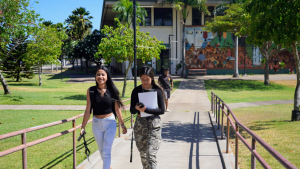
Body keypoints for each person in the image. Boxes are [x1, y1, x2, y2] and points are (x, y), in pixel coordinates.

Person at [80, 65, 127, 169]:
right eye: (98, 74)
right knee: (102, 151)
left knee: (106, 151)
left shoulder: (112, 91)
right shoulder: (91, 91)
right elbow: (88, 110)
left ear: (107, 76)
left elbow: (117, 109)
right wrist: (82, 127)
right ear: (95, 76)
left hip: (110, 123)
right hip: (96, 124)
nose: (100, 76)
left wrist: (122, 124)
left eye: (103, 74)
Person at [130, 65, 165, 169]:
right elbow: (131, 110)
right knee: (144, 155)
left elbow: (161, 110)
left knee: (151, 154)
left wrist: (146, 110)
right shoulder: (136, 90)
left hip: (154, 125)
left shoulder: (157, 90)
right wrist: (136, 108)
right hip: (140, 125)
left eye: (147, 79)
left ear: (152, 78)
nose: (145, 82)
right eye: (142, 79)